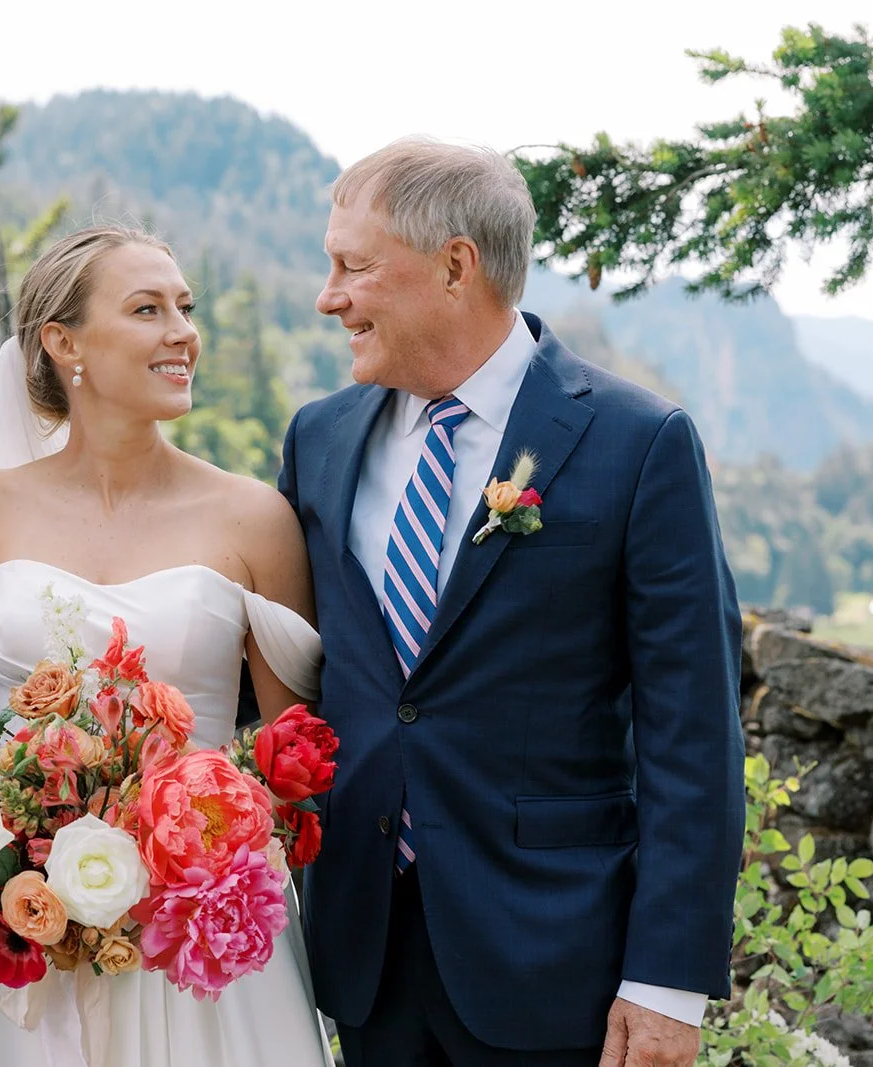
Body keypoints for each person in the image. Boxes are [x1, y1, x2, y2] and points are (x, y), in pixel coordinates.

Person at [282, 136, 744, 1067]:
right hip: (363, 957)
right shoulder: (319, 438)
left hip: (556, 960)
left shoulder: (637, 441)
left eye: (353, 267)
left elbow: (692, 733)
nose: (329, 296)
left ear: (457, 265)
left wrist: (666, 986)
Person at [0, 224, 334, 1067]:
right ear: (62, 341)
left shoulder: (254, 518)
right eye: (148, 309)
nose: (183, 331)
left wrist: (196, 848)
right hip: (23, 945)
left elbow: (298, 765)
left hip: (198, 948)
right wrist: (22, 855)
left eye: (186, 307)